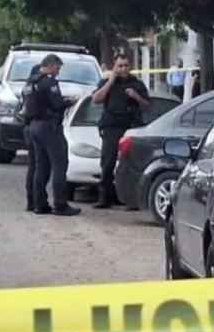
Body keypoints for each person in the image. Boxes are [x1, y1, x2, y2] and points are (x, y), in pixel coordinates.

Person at [90, 54, 151, 209]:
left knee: (131, 164)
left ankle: (130, 200)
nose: (123, 69)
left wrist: (136, 97)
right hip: (111, 126)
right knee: (107, 163)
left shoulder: (137, 84)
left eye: (126, 66)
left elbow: (147, 106)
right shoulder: (106, 82)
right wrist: (111, 81)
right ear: (114, 67)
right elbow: (96, 99)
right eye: (120, 66)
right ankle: (105, 198)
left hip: (131, 126)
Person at [25, 54, 81, 217]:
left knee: (40, 166)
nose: (58, 71)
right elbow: (56, 104)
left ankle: (39, 204)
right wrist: (70, 102)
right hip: (49, 126)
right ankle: (60, 204)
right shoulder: (49, 82)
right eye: (57, 67)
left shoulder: (31, 82)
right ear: (50, 65)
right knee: (59, 164)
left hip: (34, 125)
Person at [20, 63, 43, 212]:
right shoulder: (38, 87)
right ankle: (37, 202)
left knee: (32, 166)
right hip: (36, 125)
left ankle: (31, 201)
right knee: (39, 166)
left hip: (28, 127)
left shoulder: (26, 87)